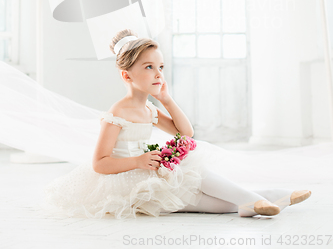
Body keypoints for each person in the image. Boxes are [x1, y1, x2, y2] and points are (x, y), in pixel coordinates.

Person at [42, 29, 311, 220]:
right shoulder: (118, 112)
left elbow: (186, 133)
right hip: (129, 180)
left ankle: (260, 199)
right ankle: (264, 198)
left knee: (199, 173)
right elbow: (100, 162)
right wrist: (138, 161)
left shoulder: (149, 108)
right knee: (206, 203)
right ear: (127, 75)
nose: (158, 73)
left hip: (152, 170)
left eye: (160, 67)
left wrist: (166, 100)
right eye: (148, 67)